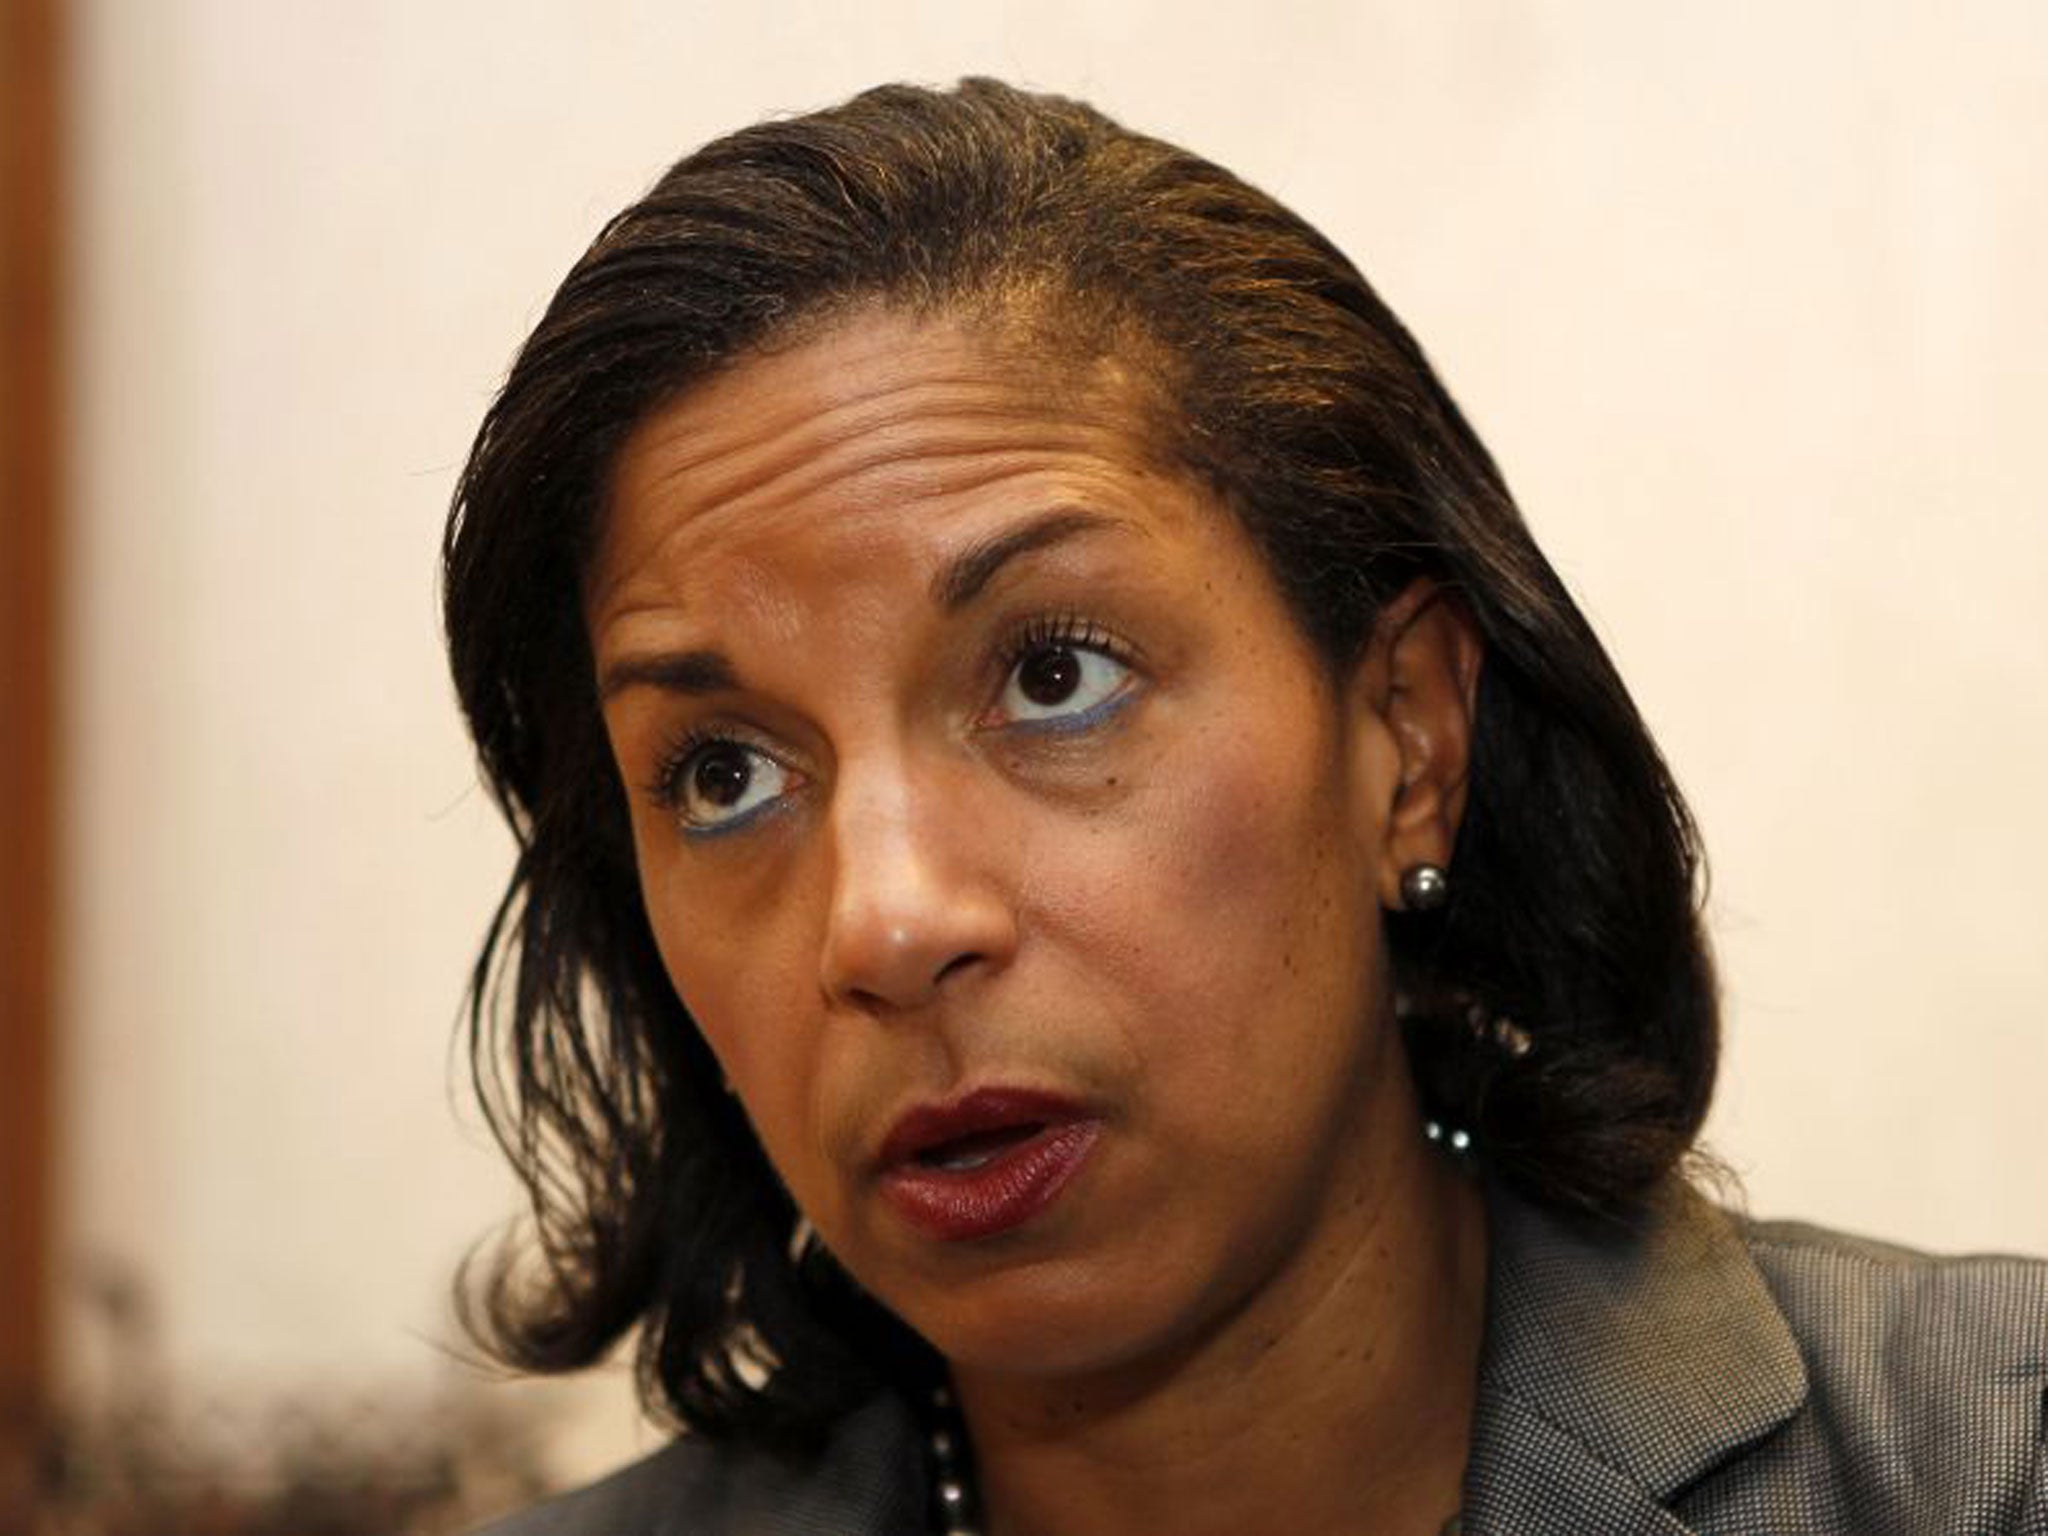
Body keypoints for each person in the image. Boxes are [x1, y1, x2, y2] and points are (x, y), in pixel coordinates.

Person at [444, 80, 2047, 1536]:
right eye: (724, 775)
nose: (886, 918)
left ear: (1405, 741)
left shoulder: (1990, 1466)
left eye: (1058, 674)